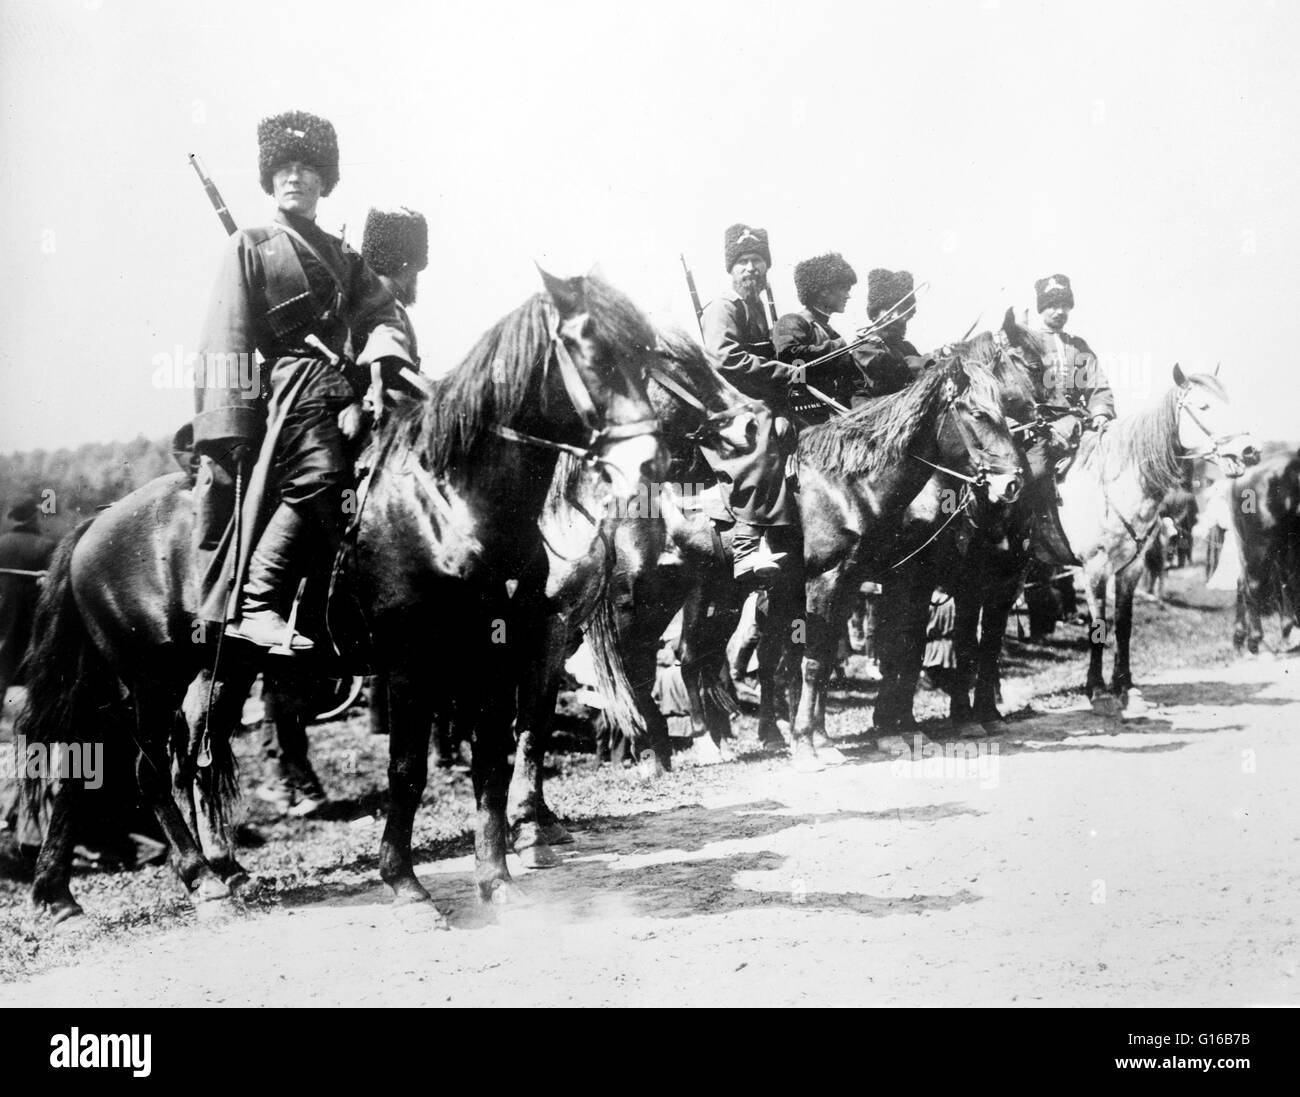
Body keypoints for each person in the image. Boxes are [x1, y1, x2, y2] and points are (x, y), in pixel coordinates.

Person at [193, 110, 415, 653]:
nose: (295, 177)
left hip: (345, 389)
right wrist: (234, 424)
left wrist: (383, 354)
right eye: (284, 168)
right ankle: (257, 602)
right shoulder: (249, 244)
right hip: (287, 392)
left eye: (307, 168)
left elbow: (382, 316)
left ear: (325, 180)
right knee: (322, 470)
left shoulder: (345, 257)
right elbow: (228, 337)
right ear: (269, 178)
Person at [699, 223, 800, 586]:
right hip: (725, 404)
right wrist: (780, 371)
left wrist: (784, 411)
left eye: (757, 260)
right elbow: (725, 359)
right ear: (731, 269)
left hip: (755, 401)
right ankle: (745, 544)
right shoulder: (724, 307)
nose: (750, 269)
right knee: (759, 438)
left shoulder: (759, 311)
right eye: (742, 262)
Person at [0, 494, 56, 846]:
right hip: (32, 661)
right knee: (36, 740)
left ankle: (9, 811)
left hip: (2, 664)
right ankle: (29, 822)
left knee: (12, 742)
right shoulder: (47, 548)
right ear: (34, 516)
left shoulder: (0, 546)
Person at [774, 252, 860, 427]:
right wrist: (839, 347)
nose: (848, 296)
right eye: (844, 288)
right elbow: (791, 358)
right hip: (807, 419)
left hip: (836, 416)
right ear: (823, 291)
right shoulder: (792, 322)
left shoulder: (830, 331)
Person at [851, 268, 928, 402]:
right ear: (875, 313)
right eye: (889, 309)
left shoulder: (906, 347)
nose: (897, 316)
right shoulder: (864, 346)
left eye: (902, 310)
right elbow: (889, 369)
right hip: (870, 412)